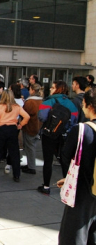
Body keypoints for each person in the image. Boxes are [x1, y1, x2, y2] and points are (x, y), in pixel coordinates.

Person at [57, 88, 96, 244]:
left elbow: (65, 156)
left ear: (87, 104)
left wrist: (67, 177)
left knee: (74, 233)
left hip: (81, 190)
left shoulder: (81, 129)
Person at [37, 80, 78, 195]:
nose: (50, 89)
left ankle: (46, 186)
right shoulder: (71, 104)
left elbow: (42, 117)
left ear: (57, 89)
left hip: (49, 135)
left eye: (52, 87)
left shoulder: (49, 101)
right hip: (64, 135)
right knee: (64, 160)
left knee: (48, 160)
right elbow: (74, 121)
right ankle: (68, 185)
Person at [0, 90, 30, 182]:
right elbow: (27, 116)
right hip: (12, 129)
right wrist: (20, 124)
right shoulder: (17, 107)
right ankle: (16, 175)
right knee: (14, 153)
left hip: (1, 129)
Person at [21, 83, 43, 175]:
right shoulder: (42, 101)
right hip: (38, 127)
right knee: (31, 146)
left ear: (33, 91)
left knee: (30, 147)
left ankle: (31, 167)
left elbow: (24, 114)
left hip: (30, 127)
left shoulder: (30, 102)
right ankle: (30, 164)